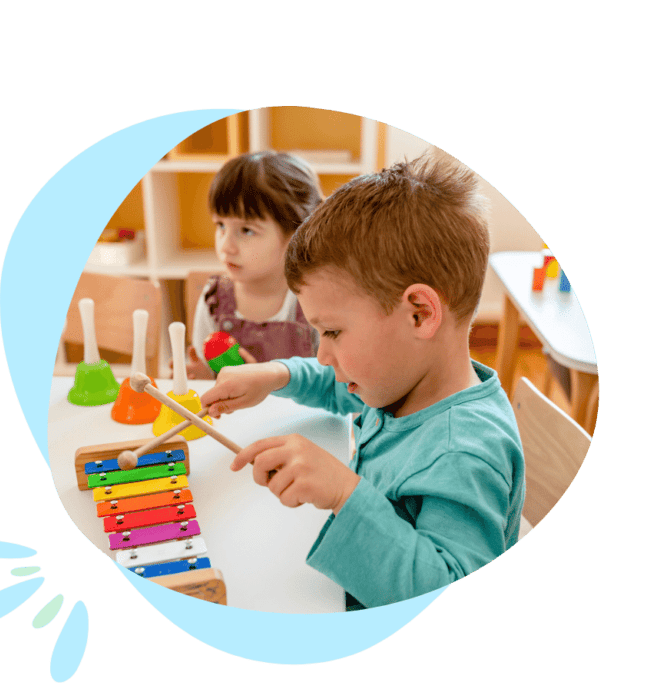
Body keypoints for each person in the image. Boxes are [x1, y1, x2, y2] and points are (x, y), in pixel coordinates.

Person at [200, 150, 526, 610]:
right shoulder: (402, 380)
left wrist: (343, 493)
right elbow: (339, 383)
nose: (322, 353)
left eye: (332, 332)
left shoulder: (463, 451)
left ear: (419, 314)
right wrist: (275, 375)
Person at [185, 151, 324, 378]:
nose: (226, 246)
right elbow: (210, 377)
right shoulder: (214, 300)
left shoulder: (315, 301)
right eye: (220, 226)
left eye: (247, 230)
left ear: (296, 234)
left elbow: (334, 383)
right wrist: (203, 377)